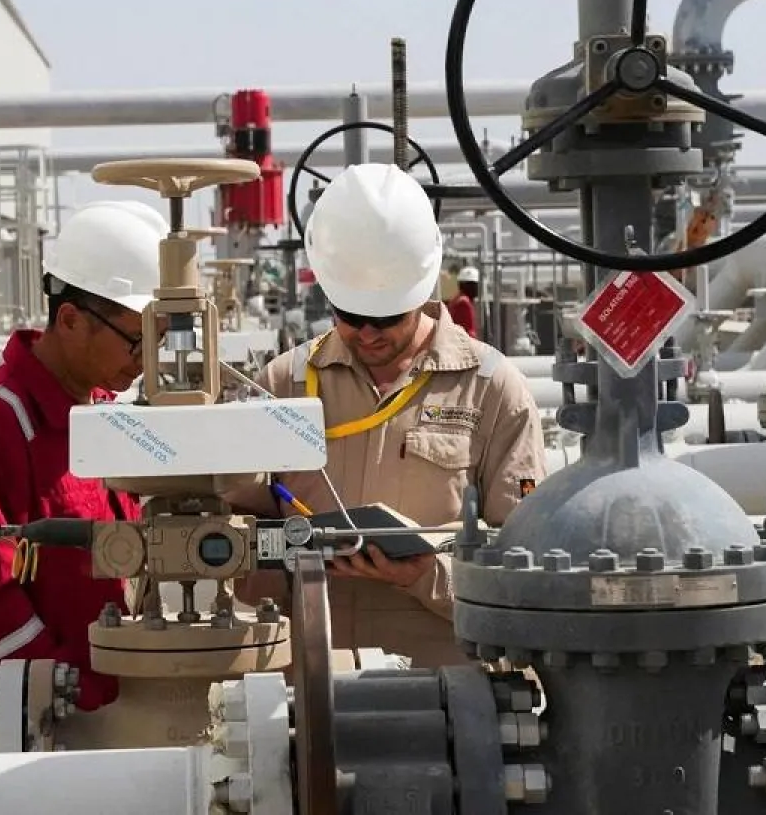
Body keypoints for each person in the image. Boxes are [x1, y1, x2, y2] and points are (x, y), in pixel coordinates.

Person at [220, 164, 547, 668]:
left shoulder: (490, 389)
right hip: (308, 678)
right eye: (351, 316)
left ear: (422, 291)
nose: (368, 333)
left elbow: (525, 562)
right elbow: (237, 523)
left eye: (387, 317)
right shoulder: (284, 383)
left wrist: (426, 575)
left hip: (441, 684)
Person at [0, 199, 169, 711]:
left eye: (158, 340)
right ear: (70, 320)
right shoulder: (1, 419)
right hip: (54, 717)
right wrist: (64, 690)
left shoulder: (101, 408)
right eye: (136, 341)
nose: (145, 361)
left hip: (114, 695)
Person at [445, 264, 481, 337]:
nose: (477, 289)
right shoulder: (464, 303)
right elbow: (469, 333)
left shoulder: (457, 299)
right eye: (474, 285)